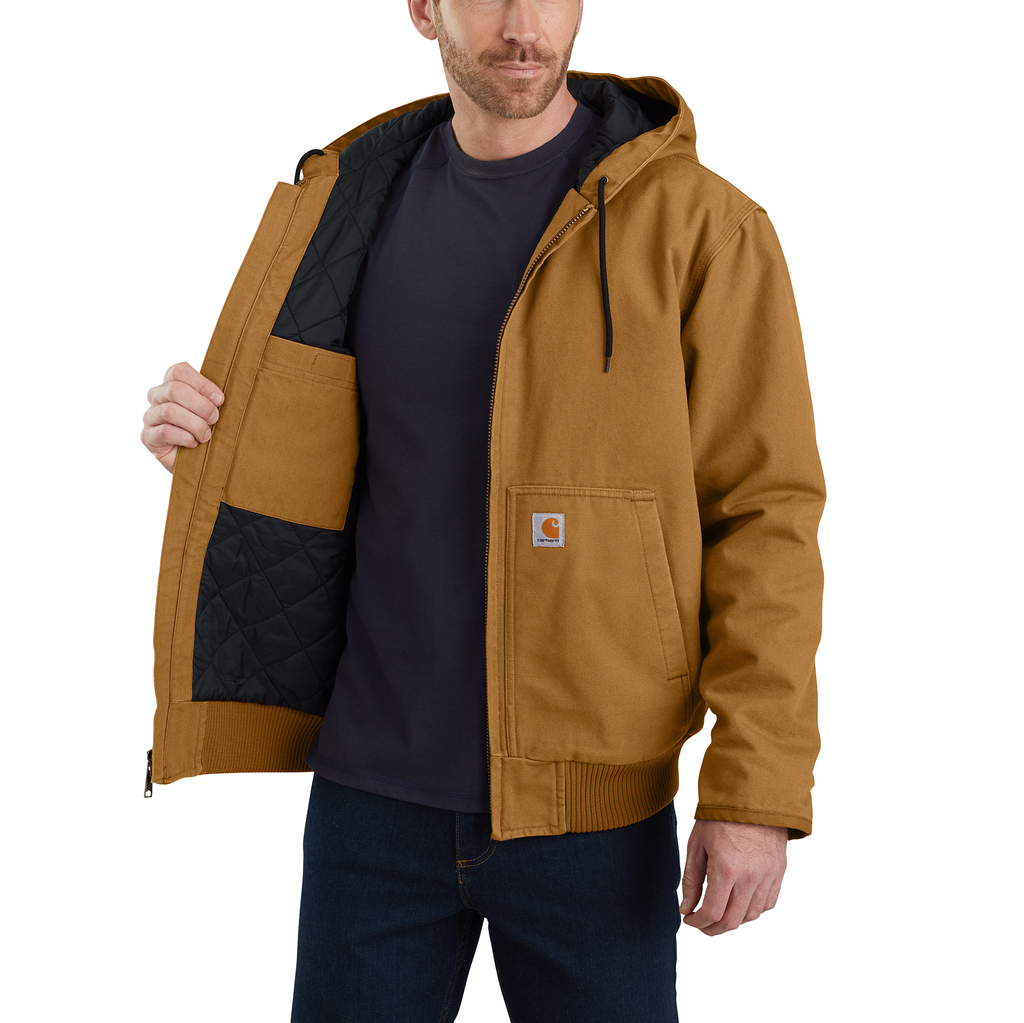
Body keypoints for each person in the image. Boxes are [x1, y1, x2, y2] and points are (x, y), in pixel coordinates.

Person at [140, 1, 825, 1020]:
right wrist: (203, 440)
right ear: (424, 10)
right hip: (370, 805)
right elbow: (309, 448)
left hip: (593, 812)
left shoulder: (704, 227)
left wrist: (756, 790)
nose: (522, 24)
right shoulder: (346, 205)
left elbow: (765, 513)